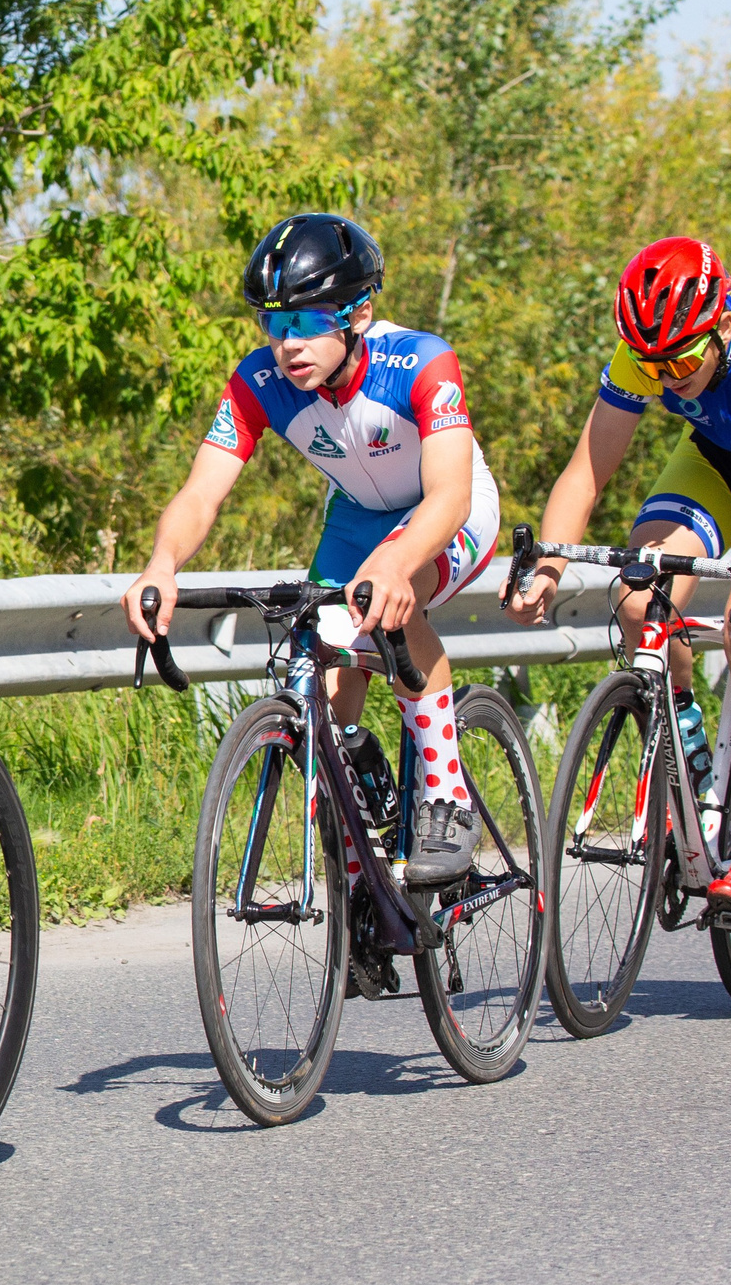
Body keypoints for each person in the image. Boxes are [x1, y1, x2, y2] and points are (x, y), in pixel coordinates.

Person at [122, 213, 502, 886]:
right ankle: (362, 864)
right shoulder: (258, 383)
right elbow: (200, 495)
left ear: (358, 313)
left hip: (447, 508)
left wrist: (396, 562)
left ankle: (447, 800)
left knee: (389, 606)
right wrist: (161, 564)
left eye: (306, 323)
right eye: (273, 325)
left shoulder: (419, 360)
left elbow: (448, 495)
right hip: (357, 518)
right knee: (323, 694)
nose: (287, 345)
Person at [504, 237, 731, 925]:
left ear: (722, 327)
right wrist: (549, 566)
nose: (667, 377)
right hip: (718, 459)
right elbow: (586, 473)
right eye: (652, 364)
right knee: (640, 595)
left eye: (681, 359)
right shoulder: (644, 354)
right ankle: (688, 740)